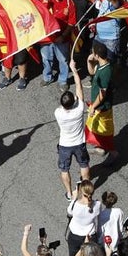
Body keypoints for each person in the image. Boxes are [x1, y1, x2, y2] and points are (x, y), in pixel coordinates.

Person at [55, 60, 89, 200]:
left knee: (64, 169)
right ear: (73, 101)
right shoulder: (80, 109)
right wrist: (74, 70)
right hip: (79, 143)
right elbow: (79, 88)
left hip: (65, 145)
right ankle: (85, 189)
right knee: (84, 164)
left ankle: (69, 193)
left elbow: (75, 97)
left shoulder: (58, 113)